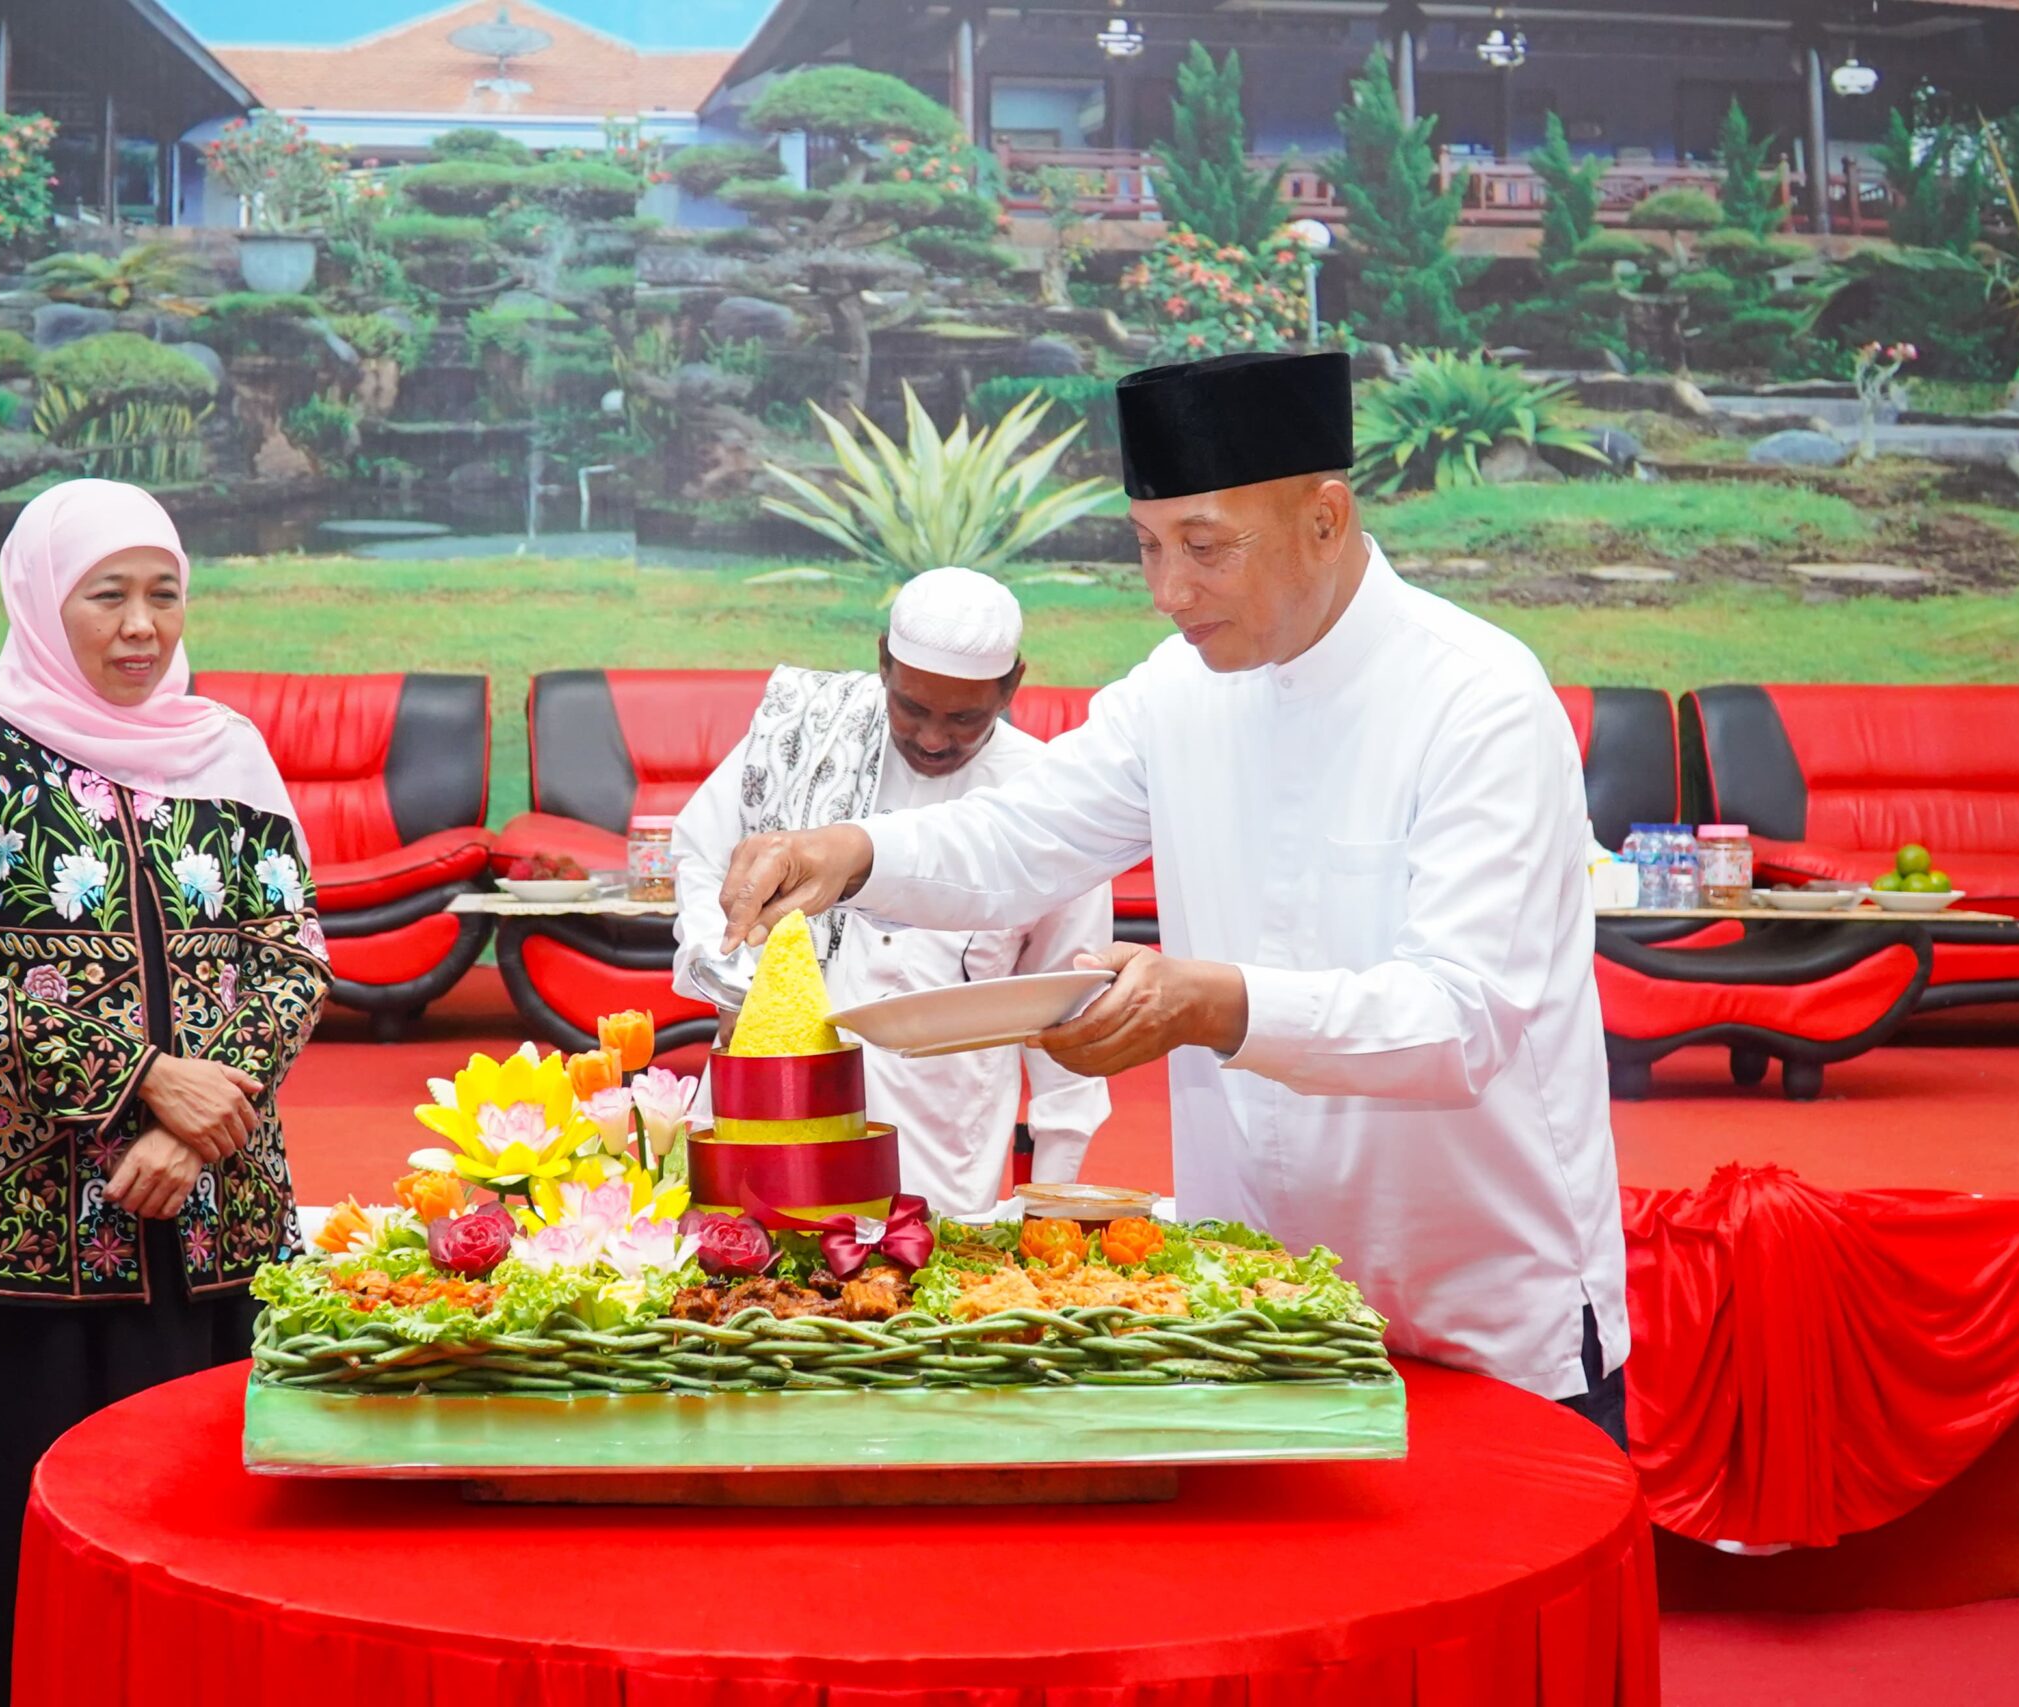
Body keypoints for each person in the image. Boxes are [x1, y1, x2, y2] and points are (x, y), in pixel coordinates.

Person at [713, 352, 1631, 1447]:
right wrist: (854, 852)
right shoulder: (1177, 688)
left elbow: (1460, 1018)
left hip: (1476, 1306)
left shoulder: (1476, 699)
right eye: (1148, 548)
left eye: (1205, 549)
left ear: (1324, 518)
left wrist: (1209, 1005)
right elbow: (1025, 832)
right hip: (1254, 1306)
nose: (1169, 591)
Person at [0, 480, 331, 1705]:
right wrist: (138, 1080)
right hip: (17, 1230)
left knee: (198, 1531)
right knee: (11, 1532)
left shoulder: (226, 750)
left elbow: (294, 952)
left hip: (207, 1215)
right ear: (43, 598)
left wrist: (196, 1126)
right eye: (109, 595)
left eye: (164, 594)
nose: (142, 626)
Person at [672, 567, 1111, 1214]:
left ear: (1012, 684)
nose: (934, 739)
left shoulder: (1043, 799)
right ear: (883, 662)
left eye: (964, 717)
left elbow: (1067, 1008)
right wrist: (737, 982)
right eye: (912, 708)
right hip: (774, 1098)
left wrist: (1053, 1194)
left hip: (938, 1137)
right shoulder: (809, 736)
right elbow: (703, 853)